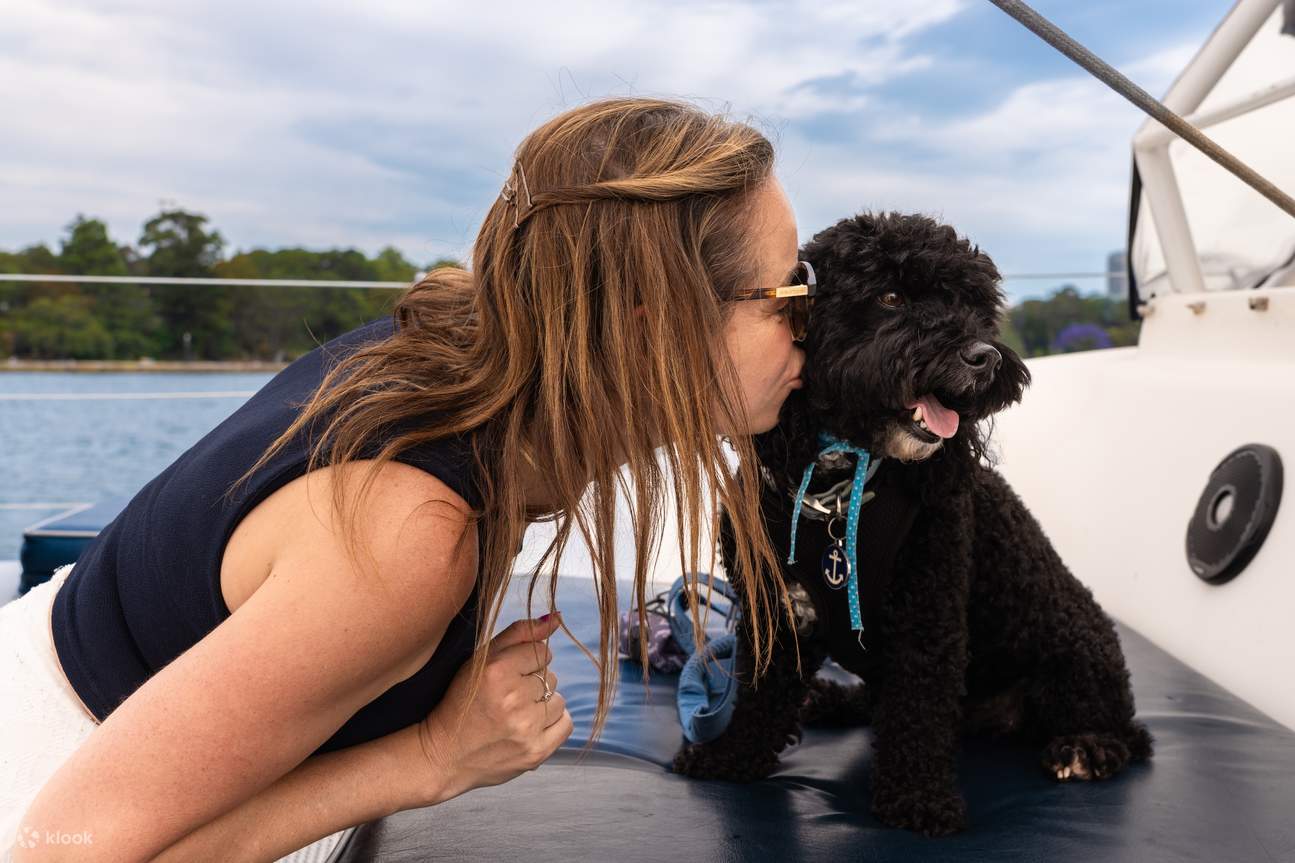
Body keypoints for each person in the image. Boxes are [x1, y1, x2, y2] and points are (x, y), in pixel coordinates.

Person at [1, 95, 809, 862]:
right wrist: (431, 756)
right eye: (790, 294)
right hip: (57, 786)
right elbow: (59, 850)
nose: (814, 325)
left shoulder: (458, 335)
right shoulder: (404, 538)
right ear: (653, 331)